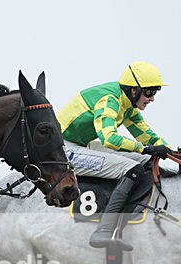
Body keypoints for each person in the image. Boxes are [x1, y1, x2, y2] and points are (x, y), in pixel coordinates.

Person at [58, 61, 174, 251]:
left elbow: (147, 136)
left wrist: (172, 152)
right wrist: (145, 148)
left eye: (155, 92)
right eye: (149, 92)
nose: (152, 98)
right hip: (62, 151)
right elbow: (109, 138)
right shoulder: (110, 99)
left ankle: (122, 223)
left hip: (81, 145)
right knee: (132, 167)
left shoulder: (128, 105)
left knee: (147, 162)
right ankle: (104, 229)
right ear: (134, 90)